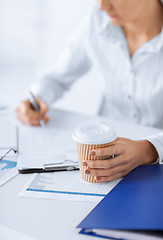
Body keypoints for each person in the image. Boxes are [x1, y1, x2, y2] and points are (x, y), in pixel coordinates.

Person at [16, 0, 163, 182]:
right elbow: (58, 76)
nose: (102, 6)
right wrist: (36, 99)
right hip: (101, 159)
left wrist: (147, 149)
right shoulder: (98, 20)